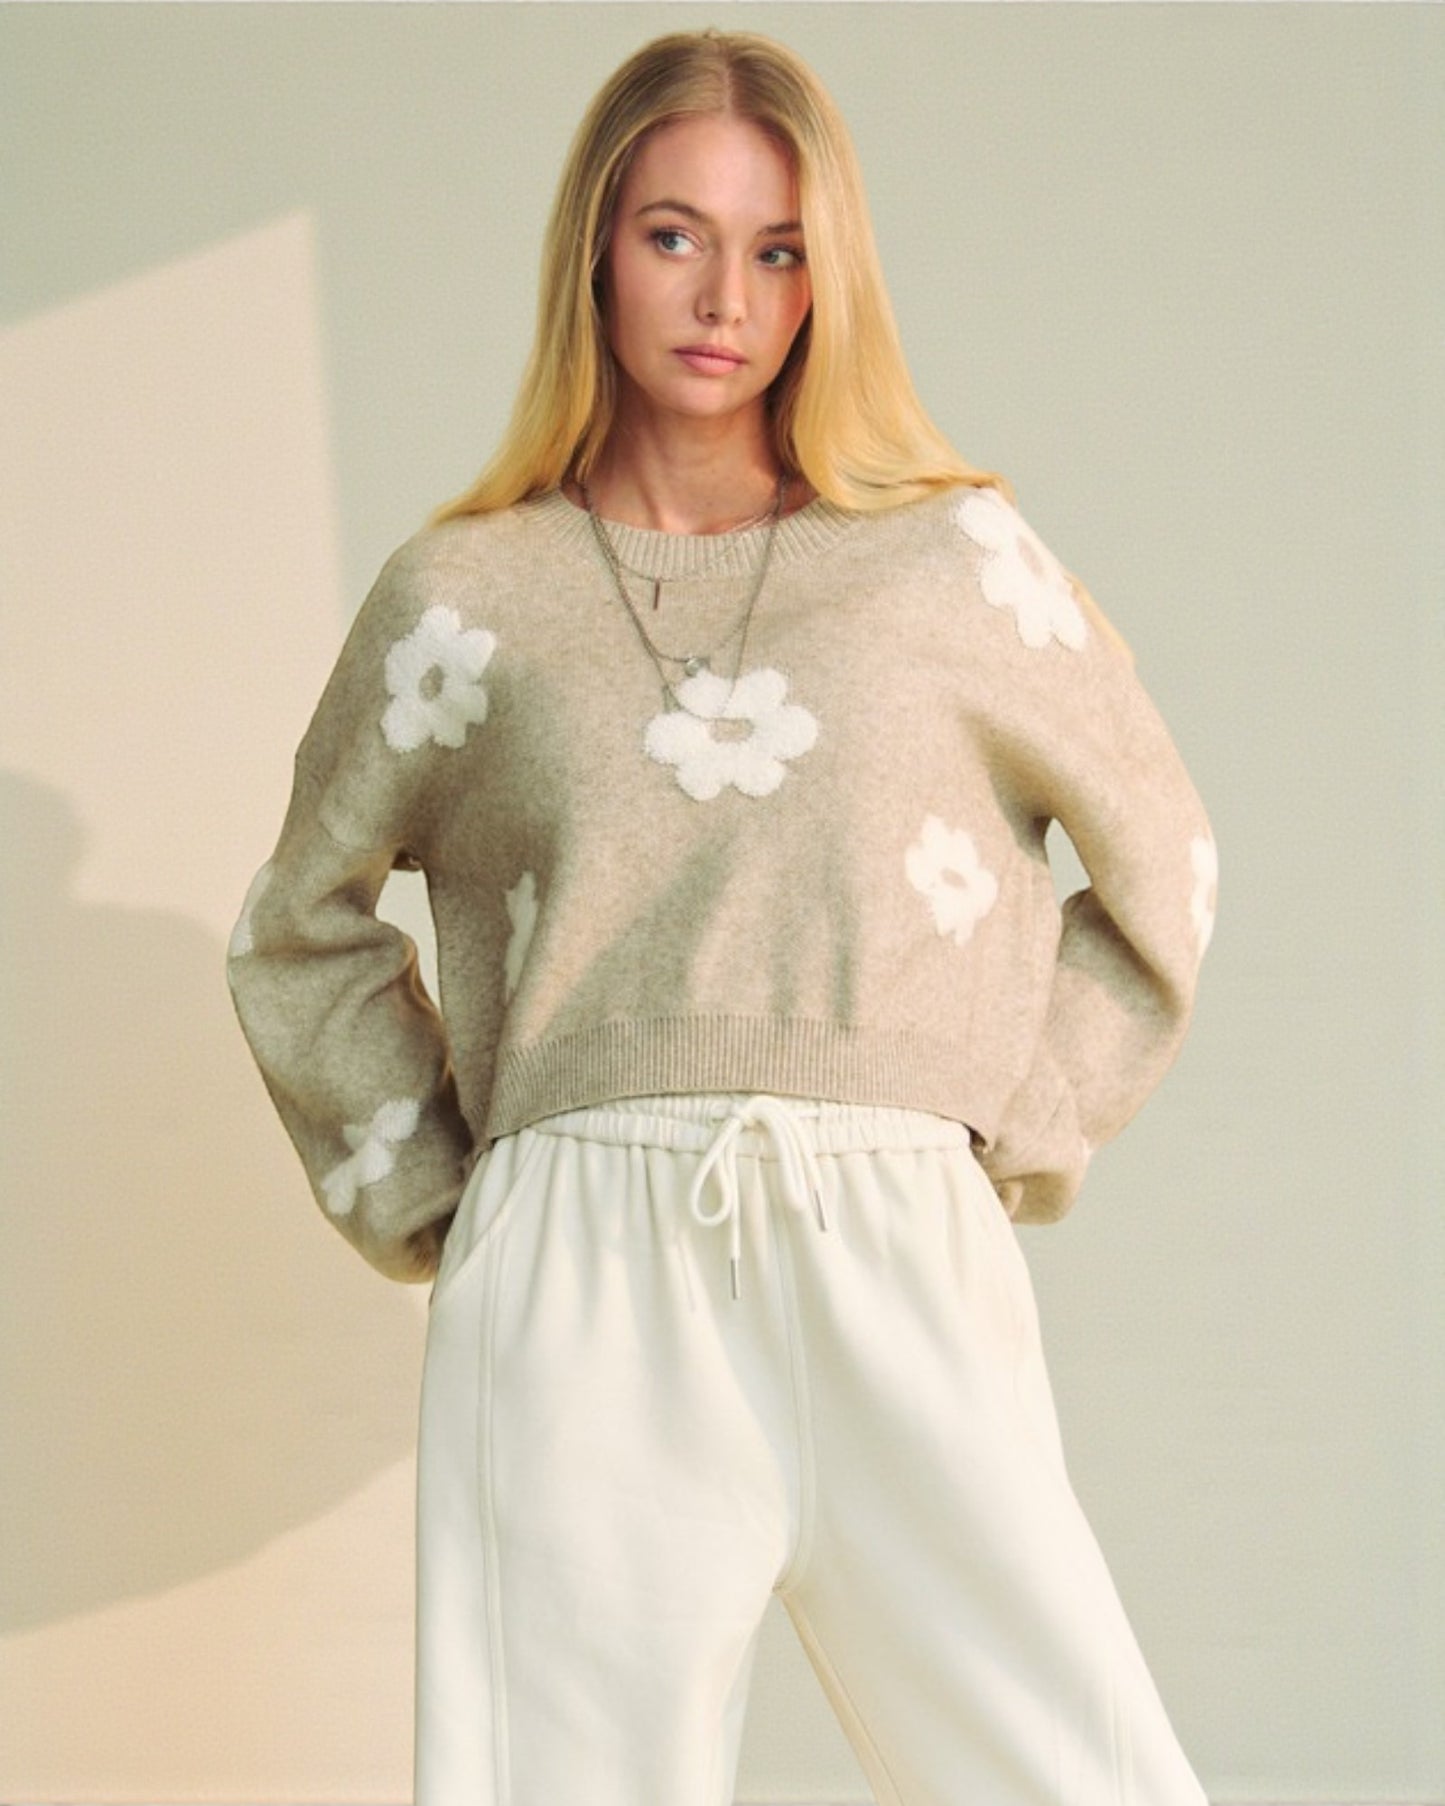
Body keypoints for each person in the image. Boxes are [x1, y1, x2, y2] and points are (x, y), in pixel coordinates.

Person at [228, 28, 1218, 1806]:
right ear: (595, 251)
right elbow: (298, 922)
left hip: (892, 1238)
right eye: (674, 235)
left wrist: (1001, 1108)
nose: (724, 299)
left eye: (778, 250)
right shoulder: (465, 595)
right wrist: (460, 1195)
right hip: (577, 1267)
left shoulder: (949, 561)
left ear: (827, 281)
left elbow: (1165, 862)